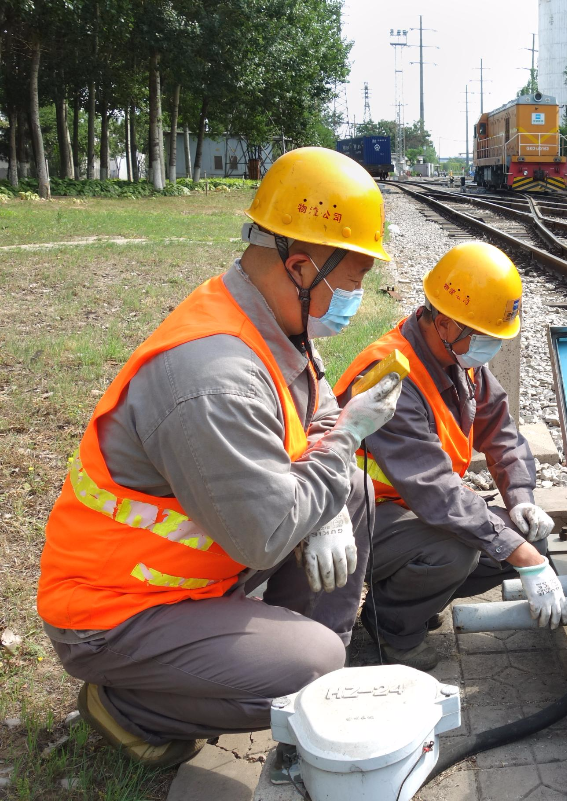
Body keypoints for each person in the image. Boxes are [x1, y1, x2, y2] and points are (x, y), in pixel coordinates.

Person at [36, 147, 404, 767]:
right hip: (115, 608)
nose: (353, 300)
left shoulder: (271, 320)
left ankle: (292, 657)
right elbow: (264, 537)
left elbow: (312, 405)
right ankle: (127, 704)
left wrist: (334, 479)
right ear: (301, 266)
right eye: (350, 283)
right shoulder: (213, 378)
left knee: (352, 497)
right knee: (309, 667)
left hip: (194, 570)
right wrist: (343, 442)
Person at [333, 242, 564, 671]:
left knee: (518, 534)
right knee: (456, 551)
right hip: (354, 518)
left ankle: (414, 598)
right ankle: (392, 629)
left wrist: (521, 498)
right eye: (485, 337)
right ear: (444, 323)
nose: (490, 347)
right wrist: (525, 558)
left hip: (407, 509)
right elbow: (437, 492)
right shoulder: (391, 379)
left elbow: (502, 431)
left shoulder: (458, 357)